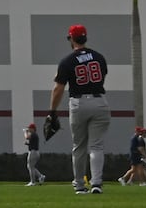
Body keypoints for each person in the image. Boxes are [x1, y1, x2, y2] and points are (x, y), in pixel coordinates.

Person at [47, 22, 110, 194]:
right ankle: (96, 183)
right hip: (100, 101)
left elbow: (58, 88)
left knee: (79, 146)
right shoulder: (99, 57)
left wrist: (52, 111)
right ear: (85, 37)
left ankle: (80, 185)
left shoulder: (67, 61)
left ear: (71, 38)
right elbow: (101, 77)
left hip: (79, 103)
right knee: (97, 146)